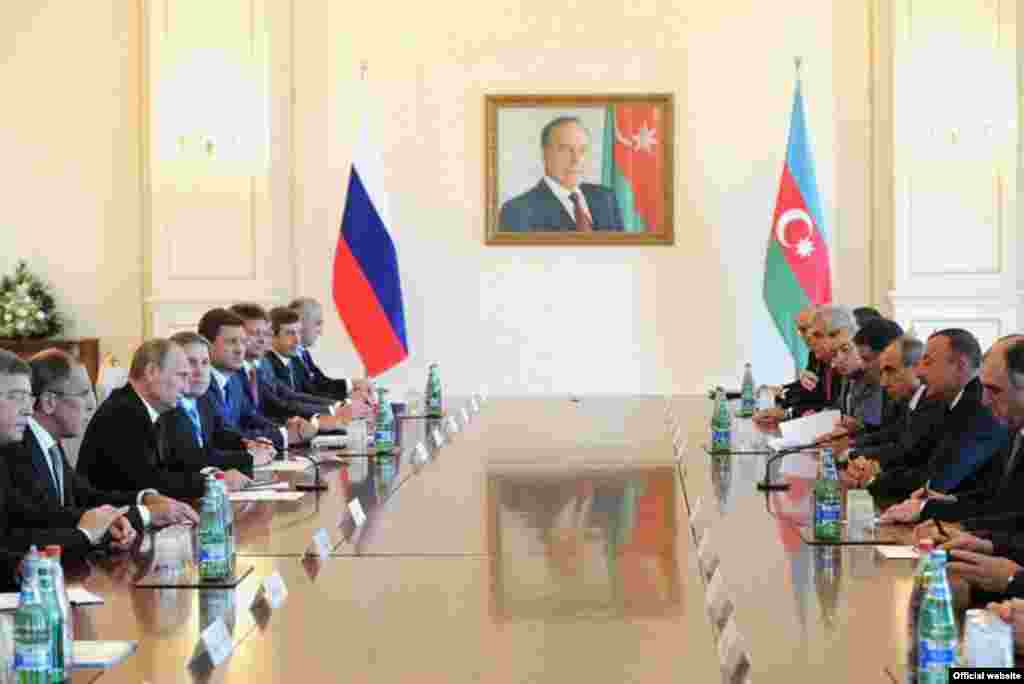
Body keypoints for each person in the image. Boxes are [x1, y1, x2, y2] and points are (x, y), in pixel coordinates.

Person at [7, 349, 198, 535]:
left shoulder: (49, 443)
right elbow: (44, 517)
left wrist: (144, 498)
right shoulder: (17, 447)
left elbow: (84, 494)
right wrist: (144, 514)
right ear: (49, 402)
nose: (92, 403)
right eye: (83, 394)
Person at [0, 350, 132, 584]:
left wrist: (103, 523)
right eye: (16, 397)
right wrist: (86, 534)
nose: (29, 410)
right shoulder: (13, 451)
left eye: (28, 399)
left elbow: (42, 514)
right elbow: (16, 536)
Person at [77, 339, 247, 499]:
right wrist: (214, 482)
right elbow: (145, 482)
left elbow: (180, 464)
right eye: (181, 376)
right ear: (151, 372)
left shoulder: (155, 410)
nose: (186, 385)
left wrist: (216, 475)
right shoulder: (122, 412)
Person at [883, 335, 1024, 524]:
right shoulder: (1011, 422)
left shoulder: (984, 413)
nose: (985, 401)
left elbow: (1011, 518)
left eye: (994, 390)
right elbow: (1001, 500)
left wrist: (984, 543)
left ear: (960, 365)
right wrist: (947, 502)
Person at [862, 329, 1008, 501]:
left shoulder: (978, 408)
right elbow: (921, 462)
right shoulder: (952, 402)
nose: (918, 372)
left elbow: (935, 482)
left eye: (928, 362)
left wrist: (872, 479)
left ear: (960, 366)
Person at [198, 308, 315, 447]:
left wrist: (287, 428)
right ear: (206, 345)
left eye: (242, 341)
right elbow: (223, 437)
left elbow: (250, 417)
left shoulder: (234, 380)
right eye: (231, 342)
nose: (239, 349)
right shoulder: (200, 385)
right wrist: (284, 435)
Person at [158, 331, 265, 481]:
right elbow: (189, 458)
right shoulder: (166, 407)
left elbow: (220, 435)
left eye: (205, 363)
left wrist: (250, 445)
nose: (200, 371)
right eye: (191, 363)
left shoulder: (204, 400)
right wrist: (249, 457)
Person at [498, 116, 624, 232]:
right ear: (545, 154)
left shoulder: (606, 198)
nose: (576, 160)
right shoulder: (518, 211)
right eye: (565, 149)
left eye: (582, 150)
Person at [289, 297, 374, 403]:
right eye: (318, 323)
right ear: (300, 324)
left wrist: (353, 383)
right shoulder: (289, 357)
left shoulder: (303, 353)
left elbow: (322, 384)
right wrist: (347, 400)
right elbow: (311, 395)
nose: (320, 332)